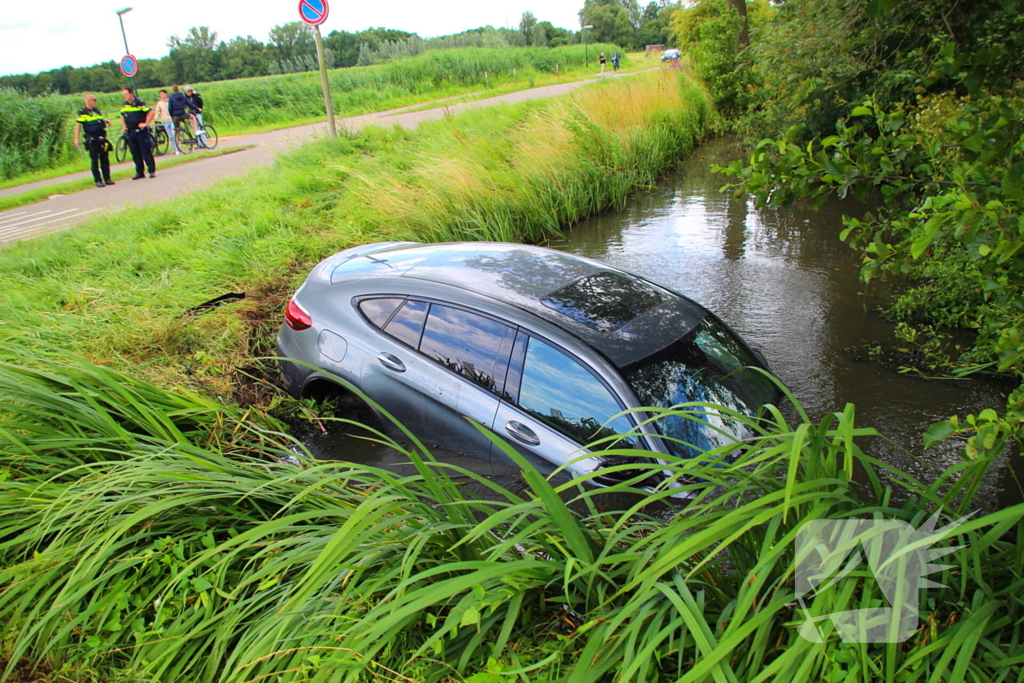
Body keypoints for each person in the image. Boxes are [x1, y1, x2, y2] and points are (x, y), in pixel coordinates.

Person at [73, 93, 115, 188]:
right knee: (95, 160)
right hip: (92, 139)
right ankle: (98, 180)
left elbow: (97, 119)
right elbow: (78, 126)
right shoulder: (83, 112)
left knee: (105, 159)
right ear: (88, 101)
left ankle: (107, 178)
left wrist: (105, 120)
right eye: (94, 100)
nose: (95, 101)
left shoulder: (96, 110)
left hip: (102, 138)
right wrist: (76, 139)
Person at [120, 87, 156, 179]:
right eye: (123, 95)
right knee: (135, 153)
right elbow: (122, 116)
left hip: (141, 131)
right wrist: (124, 126)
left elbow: (151, 113)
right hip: (130, 132)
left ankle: (151, 170)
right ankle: (140, 172)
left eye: (126, 94)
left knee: (146, 151)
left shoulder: (139, 103)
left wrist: (146, 123)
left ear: (131, 93)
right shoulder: (124, 105)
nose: (124, 96)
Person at [153, 89, 179, 156]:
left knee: (174, 134)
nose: (162, 95)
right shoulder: (159, 103)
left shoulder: (170, 101)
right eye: (160, 94)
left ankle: (177, 148)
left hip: (172, 120)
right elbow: (158, 111)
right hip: (165, 121)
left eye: (163, 94)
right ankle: (174, 148)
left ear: (166, 94)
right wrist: (156, 117)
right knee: (170, 136)